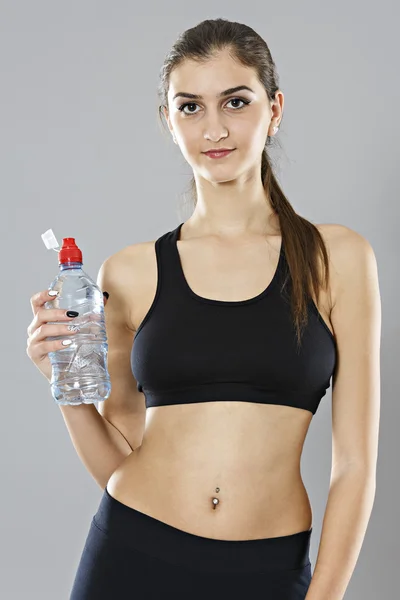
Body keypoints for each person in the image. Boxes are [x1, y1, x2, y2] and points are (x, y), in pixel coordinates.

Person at [27, 18, 381, 600]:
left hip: (267, 571)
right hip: (132, 554)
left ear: (275, 108)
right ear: (169, 121)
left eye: (235, 102)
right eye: (189, 107)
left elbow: (355, 467)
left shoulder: (335, 258)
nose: (214, 128)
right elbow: (121, 460)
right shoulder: (130, 272)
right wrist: (63, 385)